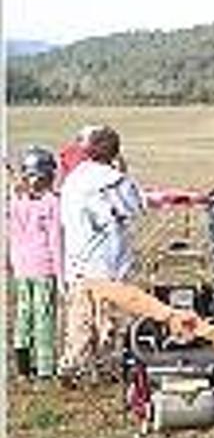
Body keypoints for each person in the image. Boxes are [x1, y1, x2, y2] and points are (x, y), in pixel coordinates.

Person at [58, 126, 145, 385]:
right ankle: (106, 365)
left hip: (78, 258)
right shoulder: (115, 180)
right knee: (107, 319)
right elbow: (134, 208)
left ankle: (74, 363)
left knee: (80, 317)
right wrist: (122, 173)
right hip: (108, 259)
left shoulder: (73, 179)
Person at [8, 146, 63, 380]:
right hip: (44, 267)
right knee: (45, 318)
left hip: (20, 267)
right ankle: (45, 370)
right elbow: (55, 241)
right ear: (49, 176)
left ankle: (22, 368)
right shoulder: (52, 203)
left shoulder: (14, 201)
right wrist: (61, 277)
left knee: (23, 315)